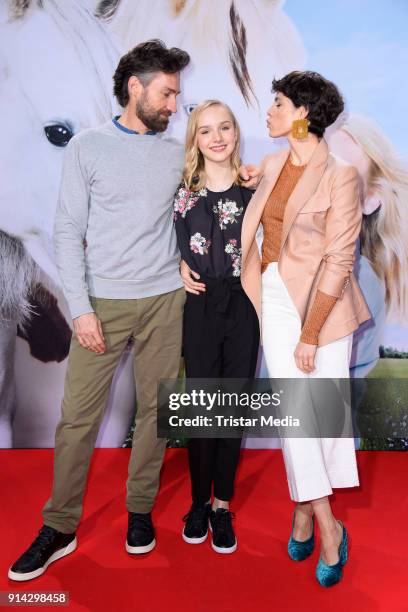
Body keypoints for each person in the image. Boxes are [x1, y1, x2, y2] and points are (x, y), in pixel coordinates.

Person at [8, 39, 191, 581]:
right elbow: (67, 230)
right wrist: (82, 309)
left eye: (177, 96)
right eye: (166, 93)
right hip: (102, 306)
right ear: (135, 88)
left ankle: (139, 513)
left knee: (156, 414)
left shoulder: (179, 152)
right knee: (77, 422)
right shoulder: (87, 147)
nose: (173, 105)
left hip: (164, 301)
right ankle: (59, 526)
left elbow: (208, 200)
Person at [240, 71, 371, 586]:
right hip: (273, 297)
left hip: (324, 308)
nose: (268, 110)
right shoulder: (272, 163)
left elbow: (340, 259)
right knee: (297, 414)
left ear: (302, 114)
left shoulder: (341, 175)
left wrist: (311, 333)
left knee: (322, 418)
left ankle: (304, 512)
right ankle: (328, 525)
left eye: (278, 103)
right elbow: (265, 205)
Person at [174, 100, 260, 554]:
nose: (217, 137)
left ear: (235, 132)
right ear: (195, 140)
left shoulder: (254, 191)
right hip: (201, 308)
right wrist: (177, 268)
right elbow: (165, 245)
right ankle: (197, 505)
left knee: (232, 410)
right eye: (205, 131)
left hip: (244, 307)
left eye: (224, 127)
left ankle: (222, 506)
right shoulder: (183, 193)